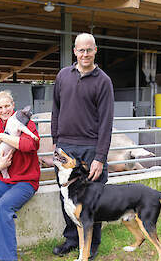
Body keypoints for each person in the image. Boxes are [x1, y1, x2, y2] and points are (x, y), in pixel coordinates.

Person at [51, 33, 114, 260]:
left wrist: (100, 156)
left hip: (90, 148)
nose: (85, 54)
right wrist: (55, 142)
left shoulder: (103, 81)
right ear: (74, 51)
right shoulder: (62, 76)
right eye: (81, 50)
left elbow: (107, 121)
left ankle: (92, 244)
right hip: (65, 146)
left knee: (93, 199)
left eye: (89, 50)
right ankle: (72, 239)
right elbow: (56, 110)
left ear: (95, 50)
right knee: (66, 195)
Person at [0, 90, 41, 261]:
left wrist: (4, 137)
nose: (4, 110)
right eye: (0, 107)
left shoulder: (27, 125)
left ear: (13, 106)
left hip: (26, 181)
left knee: (3, 206)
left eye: (7, 106)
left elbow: (30, 145)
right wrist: (1, 165)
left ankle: (6, 258)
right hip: (3, 180)